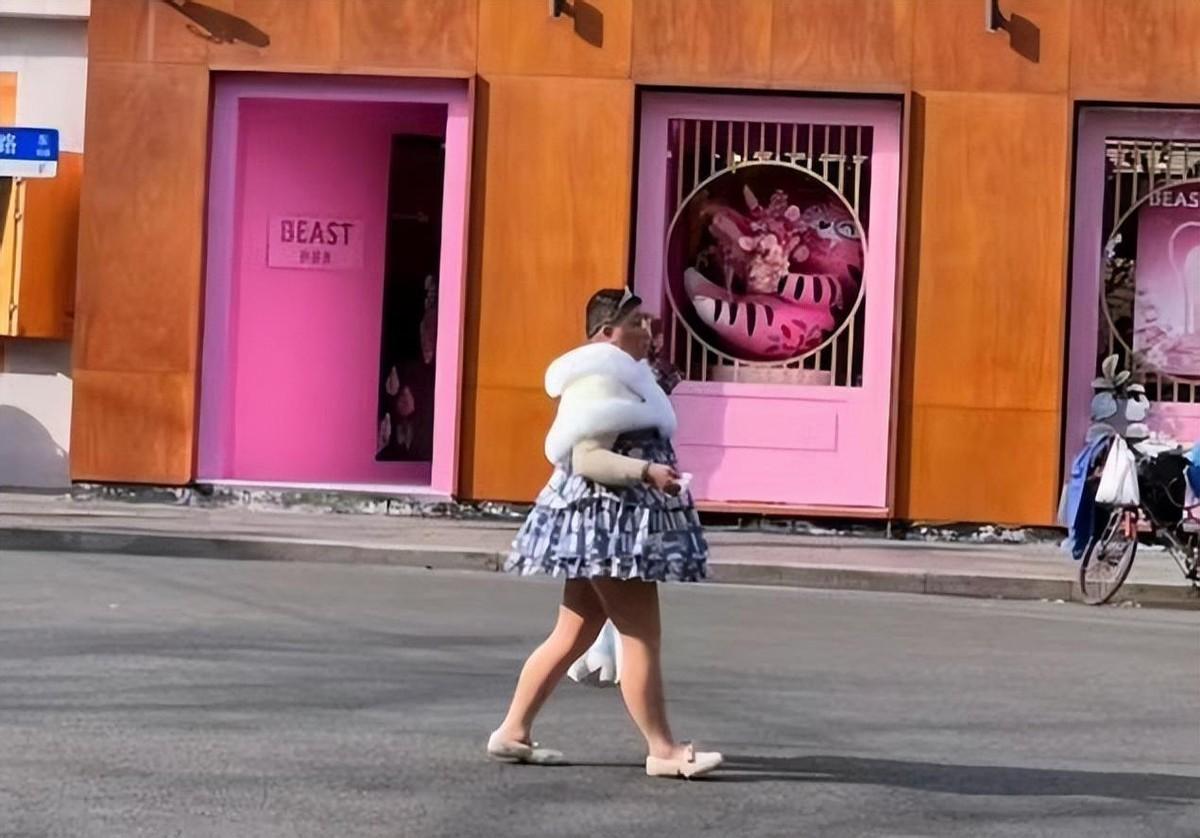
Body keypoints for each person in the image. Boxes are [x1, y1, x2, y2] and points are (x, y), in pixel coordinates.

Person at [487, 288, 722, 780]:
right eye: (636, 324)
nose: (646, 331)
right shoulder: (599, 376)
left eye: (647, 322)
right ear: (605, 333)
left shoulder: (627, 375)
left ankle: (513, 731)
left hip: (605, 524)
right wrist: (647, 472)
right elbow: (588, 457)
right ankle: (663, 748)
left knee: (572, 633)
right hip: (609, 529)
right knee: (640, 637)